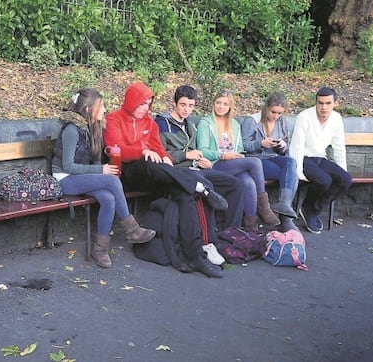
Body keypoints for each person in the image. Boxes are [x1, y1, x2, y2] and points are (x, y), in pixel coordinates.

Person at [103, 81, 226, 278]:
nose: (144, 109)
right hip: (128, 172)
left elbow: (159, 150)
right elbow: (117, 149)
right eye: (141, 104)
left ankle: (194, 255)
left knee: (185, 194)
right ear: (131, 102)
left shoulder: (149, 124)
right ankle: (201, 186)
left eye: (147, 104)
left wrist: (167, 160)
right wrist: (143, 151)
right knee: (149, 162)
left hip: (156, 174)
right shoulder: (114, 119)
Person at [52, 88, 156, 268]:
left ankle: (100, 250)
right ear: (87, 109)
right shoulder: (72, 130)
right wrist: (101, 169)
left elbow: (93, 157)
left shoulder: (93, 128)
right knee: (112, 180)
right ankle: (132, 230)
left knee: (108, 199)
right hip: (65, 179)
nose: (104, 110)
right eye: (101, 106)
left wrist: (102, 162)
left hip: (81, 177)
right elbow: (68, 166)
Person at [156, 85, 245, 232]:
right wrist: (186, 155)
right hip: (178, 173)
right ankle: (208, 234)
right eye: (183, 105)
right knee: (206, 185)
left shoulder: (189, 125)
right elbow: (161, 155)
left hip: (195, 168)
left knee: (236, 184)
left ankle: (231, 232)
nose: (186, 109)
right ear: (175, 103)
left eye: (190, 106)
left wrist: (198, 160)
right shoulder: (162, 124)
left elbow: (195, 152)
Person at [195, 91, 281, 231]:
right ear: (213, 103)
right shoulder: (206, 123)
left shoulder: (234, 124)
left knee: (248, 182)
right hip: (215, 164)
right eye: (218, 103)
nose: (221, 107)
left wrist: (238, 156)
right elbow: (202, 150)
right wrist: (223, 155)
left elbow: (240, 147)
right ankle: (264, 209)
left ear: (230, 106)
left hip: (232, 163)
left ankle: (251, 225)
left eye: (225, 104)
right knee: (254, 162)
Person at [288, 87, 352, 234]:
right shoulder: (304, 116)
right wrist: (298, 171)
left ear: (335, 103)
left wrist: (342, 170)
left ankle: (313, 209)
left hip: (320, 158)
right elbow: (296, 146)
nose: (323, 107)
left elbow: (339, 146)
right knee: (324, 180)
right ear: (316, 102)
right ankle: (309, 208)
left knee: (346, 180)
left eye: (328, 103)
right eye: (320, 103)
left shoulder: (336, 118)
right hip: (304, 158)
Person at [241, 92, 299, 231]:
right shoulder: (252, 120)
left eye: (280, 113)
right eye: (273, 112)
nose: (276, 116)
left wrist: (282, 145)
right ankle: (286, 218)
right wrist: (260, 143)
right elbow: (243, 145)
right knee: (292, 175)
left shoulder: (282, 122)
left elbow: (286, 146)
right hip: (257, 160)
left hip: (274, 157)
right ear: (266, 107)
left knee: (290, 162)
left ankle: (284, 204)